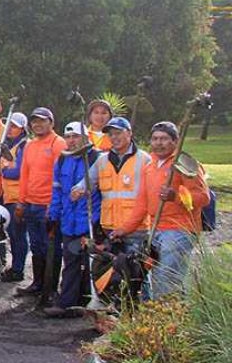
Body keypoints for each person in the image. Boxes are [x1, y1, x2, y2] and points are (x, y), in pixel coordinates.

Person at [109, 121, 211, 299]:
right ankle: (162, 316)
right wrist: (123, 229)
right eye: (155, 139)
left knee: (166, 277)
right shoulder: (150, 165)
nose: (159, 143)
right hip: (156, 229)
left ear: (175, 141)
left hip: (180, 229)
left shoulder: (184, 164)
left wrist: (177, 197)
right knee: (151, 275)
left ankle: (168, 321)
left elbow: (203, 197)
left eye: (164, 139)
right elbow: (142, 204)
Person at [44, 122, 101, 317]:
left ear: (85, 137)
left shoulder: (97, 158)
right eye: (68, 137)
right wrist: (53, 214)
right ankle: (67, 303)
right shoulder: (62, 160)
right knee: (71, 261)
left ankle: (94, 303)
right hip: (69, 222)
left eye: (75, 136)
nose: (71, 140)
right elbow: (57, 190)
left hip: (91, 222)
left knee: (94, 264)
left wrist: (98, 221)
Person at [70, 116, 150, 247]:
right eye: (110, 134)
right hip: (109, 229)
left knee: (134, 267)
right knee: (106, 266)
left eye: (118, 133)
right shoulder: (102, 160)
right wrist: (78, 189)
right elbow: (88, 181)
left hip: (137, 230)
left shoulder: (144, 159)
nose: (114, 137)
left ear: (129, 133)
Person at [15, 107, 66, 297]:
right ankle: (37, 283)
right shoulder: (30, 145)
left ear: (51, 123)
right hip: (30, 204)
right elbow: (24, 174)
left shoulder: (58, 143)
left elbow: (60, 177)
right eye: (34, 121)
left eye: (42, 121)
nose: (38, 124)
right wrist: (21, 202)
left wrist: (53, 206)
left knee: (50, 247)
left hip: (48, 205)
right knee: (36, 246)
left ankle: (50, 288)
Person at [0, 112, 30, 283]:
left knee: (18, 234)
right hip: (8, 196)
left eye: (14, 126)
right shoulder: (9, 144)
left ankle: (18, 269)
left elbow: (19, 172)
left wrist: (2, 170)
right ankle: (16, 266)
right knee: (13, 234)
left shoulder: (24, 146)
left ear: (22, 129)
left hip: (19, 197)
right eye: (9, 125)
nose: (10, 129)